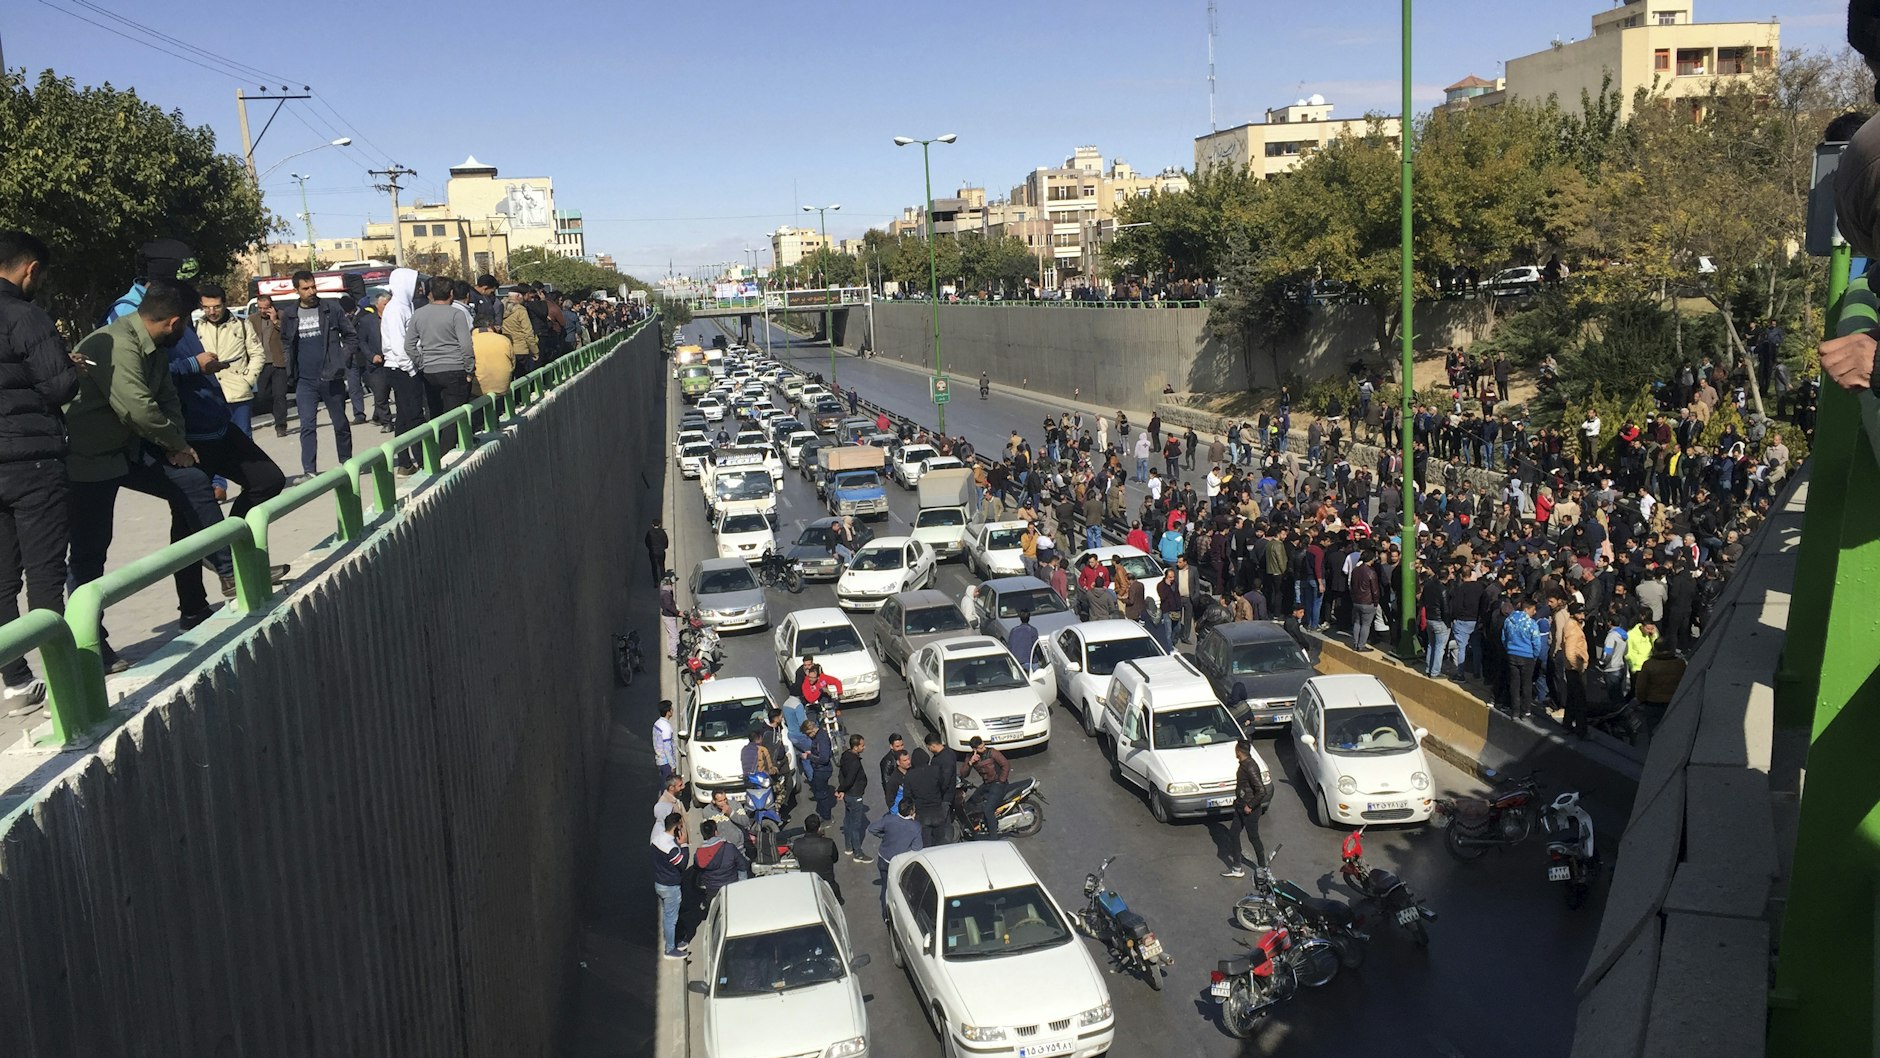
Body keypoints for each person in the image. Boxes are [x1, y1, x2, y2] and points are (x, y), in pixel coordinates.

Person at [67, 278, 225, 656]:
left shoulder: (153, 346)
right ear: (175, 323)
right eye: (188, 323)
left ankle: (231, 569)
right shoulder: (119, 344)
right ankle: (89, 645)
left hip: (129, 449)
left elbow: (167, 399)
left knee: (192, 481)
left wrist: (177, 446)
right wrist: (176, 443)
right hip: (88, 459)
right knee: (90, 552)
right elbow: (137, 408)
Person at [0, 231, 81, 710]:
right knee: (46, 573)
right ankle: (61, 682)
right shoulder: (25, 315)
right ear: (30, 269)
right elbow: (58, 387)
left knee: (1, 579)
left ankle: (14, 681)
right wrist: (70, 368)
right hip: (31, 462)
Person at [278, 270, 357, 482]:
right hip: (305, 380)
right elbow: (285, 342)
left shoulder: (331, 309)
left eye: (313, 286)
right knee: (307, 426)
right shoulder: (290, 314)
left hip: (331, 377)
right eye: (306, 288)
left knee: (340, 423)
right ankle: (309, 471)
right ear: (296, 290)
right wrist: (289, 367)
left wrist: (341, 358)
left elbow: (350, 336)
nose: (311, 291)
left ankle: (346, 463)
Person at [196, 283, 260, 501]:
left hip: (238, 391)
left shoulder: (241, 324)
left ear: (224, 304)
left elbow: (257, 353)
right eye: (206, 307)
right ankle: (218, 485)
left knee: (243, 439)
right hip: (210, 393)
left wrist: (248, 379)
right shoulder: (196, 327)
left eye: (216, 306)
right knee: (213, 440)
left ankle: (250, 481)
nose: (211, 311)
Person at [405, 276, 475, 451]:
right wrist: (469, 369)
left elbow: (409, 346)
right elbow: (466, 345)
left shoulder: (418, 314)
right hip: (455, 368)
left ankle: (433, 452)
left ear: (431, 293)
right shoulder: (456, 314)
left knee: (434, 414)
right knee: (453, 416)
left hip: (430, 371)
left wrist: (422, 363)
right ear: (451, 293)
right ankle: (445, 454)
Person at [867, 797, 923, 920]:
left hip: (883, 859)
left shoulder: (889, 819)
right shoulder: (915, 827)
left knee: (885, 888)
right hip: (898, 863)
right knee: (901, 890)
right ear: (911, 811)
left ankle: (886, 916)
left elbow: (872, 828)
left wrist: (883, 836)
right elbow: (917, 847)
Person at [1221, 739, 1269, 878]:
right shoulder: (1244, 765)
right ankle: (1237, 867)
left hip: (1249, 810)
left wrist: (1250, 805)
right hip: (1240, 807)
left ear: (1239, 751)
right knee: (1233, 833)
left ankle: (1263, 867)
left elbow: (1261, 790)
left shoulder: (1250, 766)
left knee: (1253, 837)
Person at [247, 294, 291, 437]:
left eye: (265, 308)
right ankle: (275, 412)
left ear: (271, 307)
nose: (262, 311)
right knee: (262, 395)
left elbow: (289, 334)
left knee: (280, 395)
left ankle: (281, 425)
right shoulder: (252, 319)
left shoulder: (282, 316)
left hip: (279, 362)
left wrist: (275, 321)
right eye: (260, 308)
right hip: (261, 363)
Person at [1502, 596, 1547, 721]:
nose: (1535, 612)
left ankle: (1515, 712)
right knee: (1526, 684)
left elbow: (1504, 638)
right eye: (1533, 609)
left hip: (1512, 654)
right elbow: (1536, 643)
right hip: (1527, 656)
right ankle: (1525, 711)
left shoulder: (1509, 620)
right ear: (1526, 609)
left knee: (1514, 684)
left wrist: (1509, 649)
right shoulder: (1531, 623)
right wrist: (1534, 655)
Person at [651, 812, 689, 959]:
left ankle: (671, 940)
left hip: (659, 883)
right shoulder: (671, 848)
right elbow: (682, 864)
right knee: (671, 919)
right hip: (670, 886)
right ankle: (670, 949)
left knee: (667, 916)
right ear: (676, 827)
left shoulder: (656, 840)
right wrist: (684, 845)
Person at [693, 818, 751, 909]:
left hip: (712, 889)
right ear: (716, 832)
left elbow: (697, 869)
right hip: (731, 886)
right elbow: (743, 865)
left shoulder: (698, 853)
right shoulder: (729, 847)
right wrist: (741, 885)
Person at [959, 736, 1011, 831]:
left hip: (998, 784)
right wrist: (970, 763)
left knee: (988, 809)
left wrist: (1001, 781)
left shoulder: (992, 752)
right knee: (970, 804)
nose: (984, 749)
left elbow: (1006, 765)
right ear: (974, 749)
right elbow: (963, 774)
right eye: (980, 748)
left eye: (983, 746)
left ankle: (993, 835)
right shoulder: (971, 757)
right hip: (987, 784)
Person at [836, 733, 873, 863]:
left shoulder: (845, 756)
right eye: (862, 745)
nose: (864, 747)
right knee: (856, 826)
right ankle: (858, 853)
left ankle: (849, 847)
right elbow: (850, 779)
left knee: (848, 821)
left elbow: (841, 774)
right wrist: (840, 789)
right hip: (855, 795)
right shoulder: (854, 762)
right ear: (856, 747)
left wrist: (842, 790)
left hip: (848, 795)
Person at [793, 814, 842, 903]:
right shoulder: (829, 843)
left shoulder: (797, 843)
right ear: (819, 828)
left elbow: (796, 856)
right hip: (828, 882)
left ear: (805, 827)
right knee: (838, 901)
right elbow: (835, 859)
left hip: (809, 881)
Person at [471, 311, 515, 399]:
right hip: (502, 387)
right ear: (491, 326)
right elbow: (513, 364)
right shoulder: (504, 340)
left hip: (477, 389)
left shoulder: (470, 341)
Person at [800, 718, 836, 819]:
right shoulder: (819, 736)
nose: (808, 737)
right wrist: (812, 753)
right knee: (820, 791)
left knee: (821, 794)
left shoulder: (821, 738)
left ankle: (826, 817)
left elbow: (824, 759)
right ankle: (824, 813)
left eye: (807, 734)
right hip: (821, 769)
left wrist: (809, 756)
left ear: (810, 731)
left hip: (822, 770)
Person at [653, 699, 678, 784]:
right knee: (669, 786)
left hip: (659, 760)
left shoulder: (657, 724)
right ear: (668, 712)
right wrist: (672, 765)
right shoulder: (666, 727)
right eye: (671, 709)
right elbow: (667, 748)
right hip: (666, 763)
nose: (673, 710)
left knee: (663, 783)